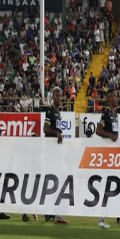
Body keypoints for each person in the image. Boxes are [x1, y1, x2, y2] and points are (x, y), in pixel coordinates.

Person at [95, 88, 120, 228]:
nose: (118, 99)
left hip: (115, 156)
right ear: (110, 98)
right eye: (116, 97)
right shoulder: (106, 113)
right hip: (108, 156)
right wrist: (109, 135)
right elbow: (98, 130)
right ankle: (101, 218)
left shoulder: (115, 115)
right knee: (107, 186)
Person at [43, 87, 69, 225]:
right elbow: (45, 128)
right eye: (57, 95)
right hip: (50, 151)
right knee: (53, 180)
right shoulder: (50, 111)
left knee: (54, 181)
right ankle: (52, 212)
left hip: (56, 151)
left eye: (61, 95)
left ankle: (52, 212)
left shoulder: (58, 113)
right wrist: (56, 133)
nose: (59, 97)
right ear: (53, 96)